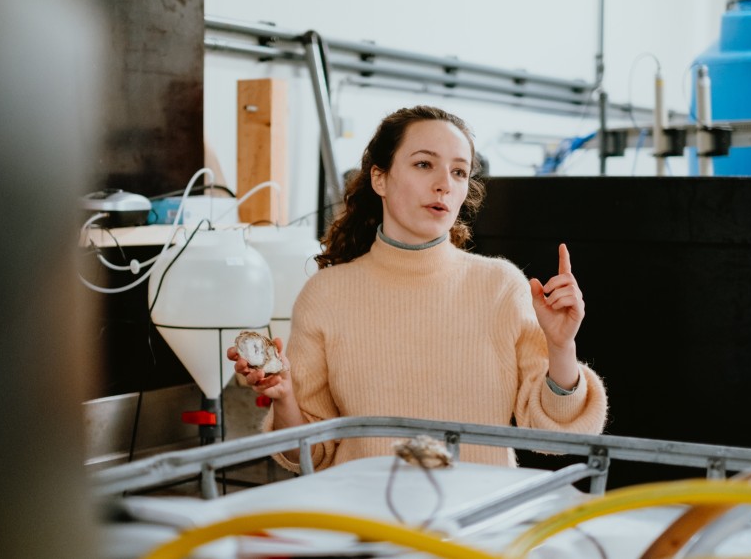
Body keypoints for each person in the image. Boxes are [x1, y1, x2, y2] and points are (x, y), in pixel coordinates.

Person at [228, 105, 608, 472]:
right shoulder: (326, 294)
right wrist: (285, 398)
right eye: (424, 164)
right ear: (380, 178)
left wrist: (561, 348)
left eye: (459, 172)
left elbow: (556, 436)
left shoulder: (500, 286)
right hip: (367, 523)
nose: (444, 183)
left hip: (476, 523)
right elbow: (310, 455)